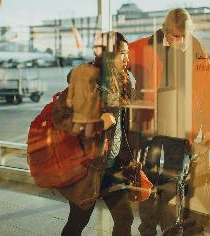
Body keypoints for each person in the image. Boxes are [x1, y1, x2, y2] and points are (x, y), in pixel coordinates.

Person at [128, 8, 210, 235]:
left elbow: (208, 89)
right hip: (149, 130)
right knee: (147, 183)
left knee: (172, 186)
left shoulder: (195, 47)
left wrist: (209, 128)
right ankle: (148, 228)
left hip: (179, 132)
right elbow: (114, 61)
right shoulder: (144, 47)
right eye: (176, 37)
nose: (182, 42)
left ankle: (170, 227)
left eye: (185, 36)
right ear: (166, 32)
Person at [58, 31, 135, 236]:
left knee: (125, 217)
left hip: (111, 167)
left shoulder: (123, 82)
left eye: (127, 53)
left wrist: (129, 157)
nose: (127, 58)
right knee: (76, 223)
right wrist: (98, 123)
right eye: (122, 53)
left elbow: (121, 128)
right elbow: (61, 119)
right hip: (88, 169)